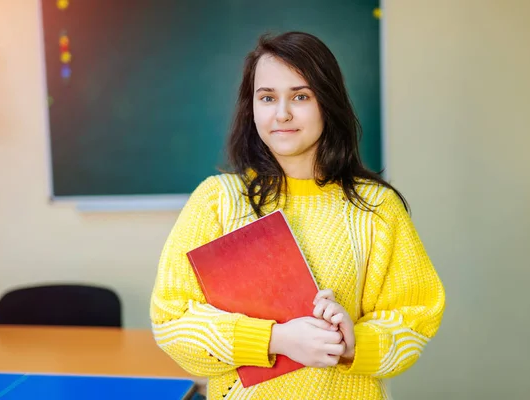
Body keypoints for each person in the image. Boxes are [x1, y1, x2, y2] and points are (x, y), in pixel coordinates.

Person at [150, 31, 446, 400]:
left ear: (328, 102)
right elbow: (172, 321)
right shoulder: (217, 200)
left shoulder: (377, 207)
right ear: (252, 107)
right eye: (268, 97)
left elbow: (415, 319)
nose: (282, 113)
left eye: (301, 96)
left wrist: (353, 343)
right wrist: (276, 340)